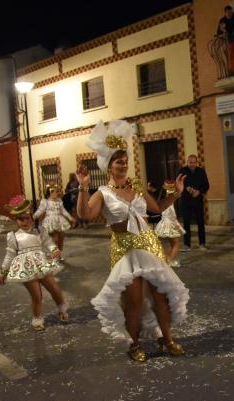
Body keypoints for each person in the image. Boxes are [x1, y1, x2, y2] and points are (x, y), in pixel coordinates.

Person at [78, 119, 190, 362]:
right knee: (134, 301)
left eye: (126, 161)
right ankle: (134, 343)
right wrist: (83, 188)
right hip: (125, 250)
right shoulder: (103, 193)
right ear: (109, 166)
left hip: (149, 245)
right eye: (119, 162)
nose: (124, 165)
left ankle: (167, 339)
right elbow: (85, 214)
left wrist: (176, 195)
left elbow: (157, 208)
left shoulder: (138, 186)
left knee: (160, 296)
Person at [0, 195, 68, 331]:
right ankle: (37, 319)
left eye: (27, 218)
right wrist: (3, 271)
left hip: (41, 263)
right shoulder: (13, 236)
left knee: (54, 288)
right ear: (16, 220)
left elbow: (48, 243)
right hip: (25, 268)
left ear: (32, 218)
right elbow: (9, 255)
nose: (25, 221)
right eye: (21, 219)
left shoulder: (39, 231)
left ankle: (62, 309)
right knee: (37, 295)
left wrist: (54, 249)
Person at [178, 155, 210, 251]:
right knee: (186, 223)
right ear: (187, 162)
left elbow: (206, 185)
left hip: (197, 201)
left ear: (196, 162)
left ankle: (202, 244)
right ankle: (187, 245)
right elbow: (178, 183)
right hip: (186, 201)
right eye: (190, 162)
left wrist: (199, 191)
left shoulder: (201, 171)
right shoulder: (182, 171)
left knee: (200, 223)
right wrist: (186, 188)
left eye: (194, 162)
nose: (192, 164)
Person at [33, 184, 75, 255]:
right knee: (55, 239)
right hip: (50, 222)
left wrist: (70, 218)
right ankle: (54, 254)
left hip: (59, 221)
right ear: (50, 193)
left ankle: (58, 253)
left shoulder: (59, 201)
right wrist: (33, 217)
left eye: (58, 191)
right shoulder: (46, 202)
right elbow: (40, 210)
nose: (58, 193)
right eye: (56, 192)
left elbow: (63, 211)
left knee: (61, 238)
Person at [155, 182, 186, 268]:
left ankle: (169, 258)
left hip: (165, 223)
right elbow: (171, 215)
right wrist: (177, 224)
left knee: (173, 243)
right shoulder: (169, 203)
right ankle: (170, 261)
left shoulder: (162, 201)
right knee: (177, 244)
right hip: (169, 224)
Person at [217, 6, 234, 75]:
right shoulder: (222, 20)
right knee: (231, 56)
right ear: (225, 13)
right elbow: (218, 32)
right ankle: (233, 71)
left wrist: (226, 30)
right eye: (228, 13)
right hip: (230, 41)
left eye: (231, 12)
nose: (230, 14)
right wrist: (221, 30)